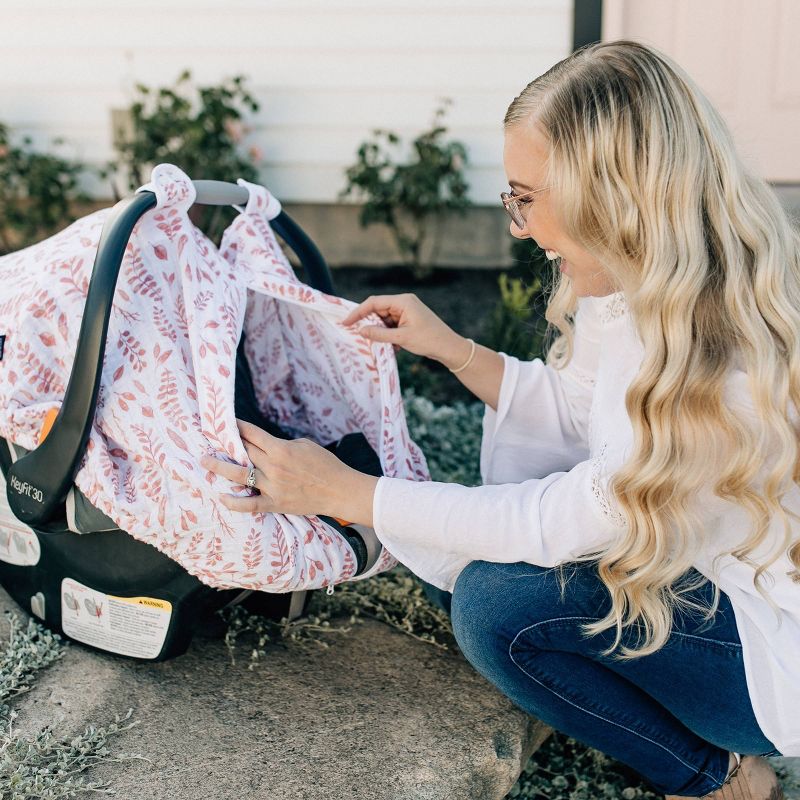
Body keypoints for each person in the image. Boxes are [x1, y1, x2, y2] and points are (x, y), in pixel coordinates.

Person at [201, 40, 800, 799]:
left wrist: (351, 495)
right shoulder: (634, 284)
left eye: (525, 196)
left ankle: (719, 778)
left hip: (760, 654)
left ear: (609, 193)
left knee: (493, 607)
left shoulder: (725, 350)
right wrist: (451, 349)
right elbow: (580, 413)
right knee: (452, 555)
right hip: (686, 568)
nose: (519, 226)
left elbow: (574, 514)